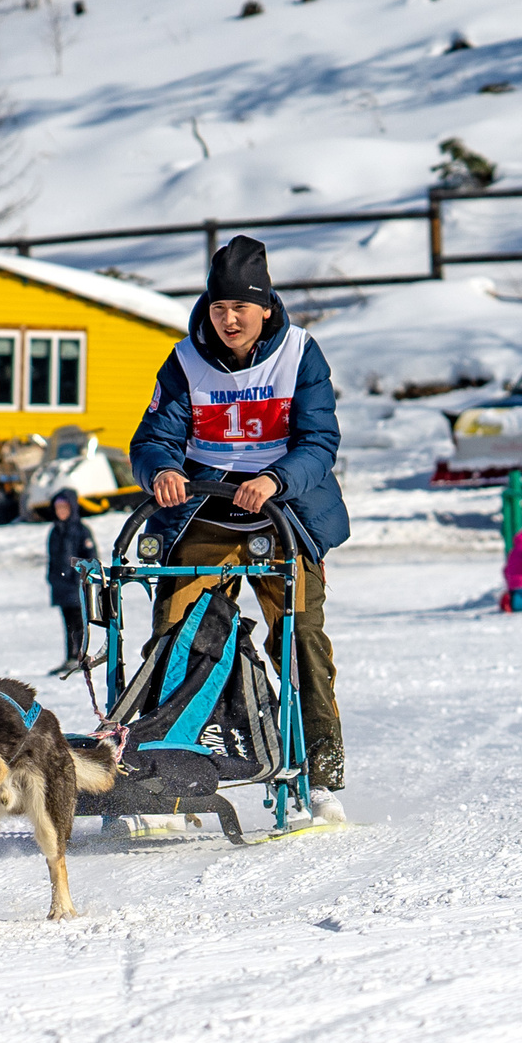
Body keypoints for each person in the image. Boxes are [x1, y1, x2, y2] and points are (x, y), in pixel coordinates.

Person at [131, 234, 352, 802]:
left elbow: (320, 440)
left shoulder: (301, 353)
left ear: (266, 308)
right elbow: (154, 438)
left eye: (241, 308)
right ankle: (167, 771)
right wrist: (161, 471)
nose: (229, 320)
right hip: (205, 507)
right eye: (219, 307)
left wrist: (275, 479)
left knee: (299, 636)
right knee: (176, 631)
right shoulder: (184, 362)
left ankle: (321, 770)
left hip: (285, 509)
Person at [43, 487, 100, 677]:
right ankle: (70, 656)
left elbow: (90, 557)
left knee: (79, 623)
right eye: (58, 507)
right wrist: (52, 578)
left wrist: (79, 578)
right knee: (67, 623)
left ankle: (80, 656)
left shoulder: (81, 530)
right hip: (61, 588)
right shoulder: (55, 531)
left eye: (64, 507)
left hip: (76, 587)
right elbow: (52, 559)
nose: (61, 511)